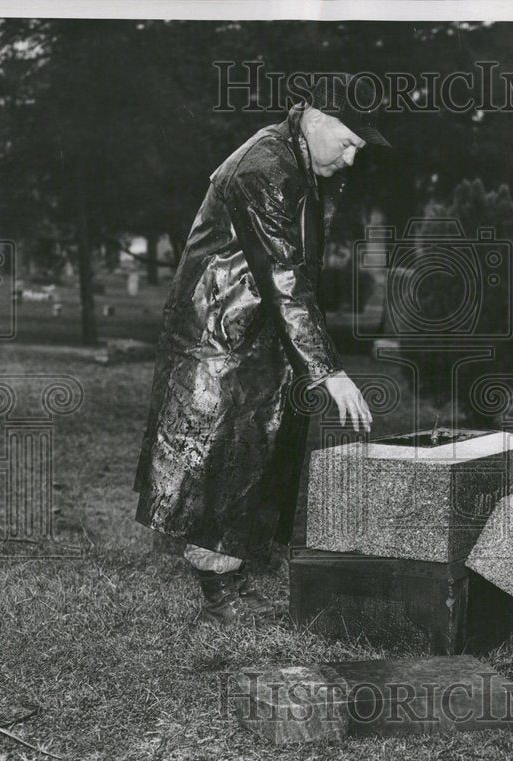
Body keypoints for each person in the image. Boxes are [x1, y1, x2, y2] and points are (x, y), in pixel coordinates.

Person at [133, 75, 389, 626]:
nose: (349, 160)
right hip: (221, 336)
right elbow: (286, 276)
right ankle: (219, 590)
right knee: (221, 462)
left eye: (358, 151)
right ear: (316, 119)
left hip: (250, 330)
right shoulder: (266, 169)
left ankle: (229, 577)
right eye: (347, 143)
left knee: (250, 457)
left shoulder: (290, 157)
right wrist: (329, 371)